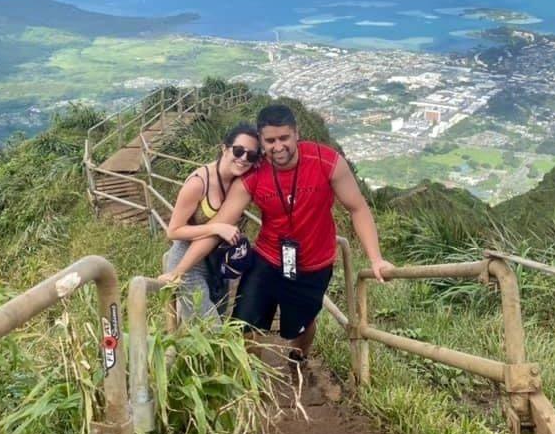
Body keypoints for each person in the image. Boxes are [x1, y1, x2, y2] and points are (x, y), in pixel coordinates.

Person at [164, 103, 393, 365]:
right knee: (245, 323)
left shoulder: (326, 161)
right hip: (268, 258)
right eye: (270, 140)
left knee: (300, 325)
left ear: (297, 133)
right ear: (261, 141)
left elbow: (358, 208)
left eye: (284, 138)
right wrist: (179, 271)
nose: (278, 146)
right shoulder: (253, 176)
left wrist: (376, 259)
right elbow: (217, 229)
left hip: (314, 263)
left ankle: (299, 355)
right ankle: (251, 377)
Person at [164, 123, 261, 321]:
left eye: (251, 155)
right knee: (212, 330)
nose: (243, 158)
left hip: (218, 263)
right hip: (188, 263)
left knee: (217, 320)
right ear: (224, 148)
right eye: (239, 150)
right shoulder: (199, 183)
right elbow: (173, 231)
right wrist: (216, 227)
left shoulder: (239, 180)